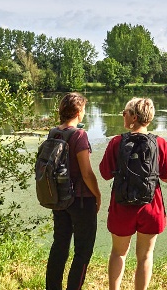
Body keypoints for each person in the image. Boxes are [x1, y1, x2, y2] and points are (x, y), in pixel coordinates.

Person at [100, 97, 167, 290]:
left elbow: (105, 174)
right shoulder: (160, 144)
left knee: (118, 253)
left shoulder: (117, 142)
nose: (123, 115)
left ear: (133, 117)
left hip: (121, 206)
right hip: (150, 206)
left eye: (125, 112)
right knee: (145, 256)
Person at [45, 92, 102, 290]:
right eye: (84, 109)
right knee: (83, 251)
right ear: (78, 112)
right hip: (80, 199)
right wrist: (97, 194)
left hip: (59, 198)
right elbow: (86, 173)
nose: (84, 113)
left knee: (59, 245)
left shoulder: (54, 133)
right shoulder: (79, 135)